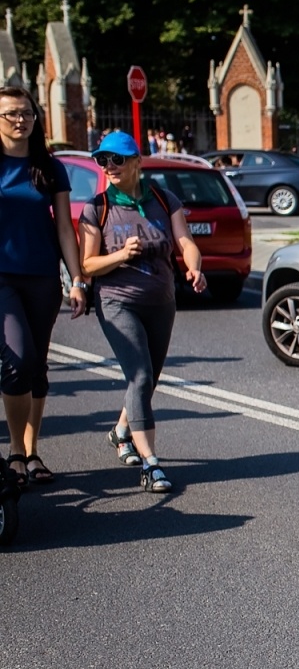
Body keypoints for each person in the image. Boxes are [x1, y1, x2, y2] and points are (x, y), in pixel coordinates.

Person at [78, 131, 206, 494]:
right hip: (116, 301)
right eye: (102, 160)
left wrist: (194, 267)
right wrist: (120, 255)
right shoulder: (97, 207)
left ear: (137, 162)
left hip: (161, 301)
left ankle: (121, 431)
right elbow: (88, 264)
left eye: (116, 159)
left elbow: (186, 243)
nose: (109, 167)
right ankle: (151, 463)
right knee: (139, 374)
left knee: (147, 378)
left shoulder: (164, 201)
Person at [0, 86, 89, 487]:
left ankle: (33, 453)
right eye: (11, 114)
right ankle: (16, 451)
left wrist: (77, 280)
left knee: (36, 367)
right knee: (16, 362)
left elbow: (65, 229)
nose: (21, 120)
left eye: (27, 114)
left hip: (42, 278)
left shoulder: (50, 167)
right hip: (2, 279)